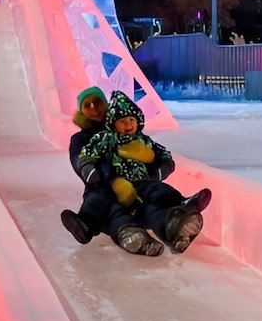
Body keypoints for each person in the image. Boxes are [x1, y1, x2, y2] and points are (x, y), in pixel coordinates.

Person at [82, 90, 211, 254]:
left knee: (156, 193)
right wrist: (90, 170)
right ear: (113, 123)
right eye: (123, 121)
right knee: (116, 212)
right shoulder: (106, 139)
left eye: (131, 120)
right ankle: (132, 235)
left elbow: (164, 154)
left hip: (141, 183)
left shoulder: (144, 140)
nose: (128, 125)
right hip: (114, 186)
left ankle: (175, 224)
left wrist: (161, 169)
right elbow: (87, 154)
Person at [62, 86, 165, 256]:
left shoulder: (119, 127)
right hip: (101, 187)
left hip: (134, 186)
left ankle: (173, 219)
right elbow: (79, 162)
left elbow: (142, 150)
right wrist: (101, 175)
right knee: (111, 210)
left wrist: (156, 169)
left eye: (97, 103)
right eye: (88, 106)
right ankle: (128, 234)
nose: (94, 108)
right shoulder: (80, 139)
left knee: (150, 201)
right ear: (82, 112)